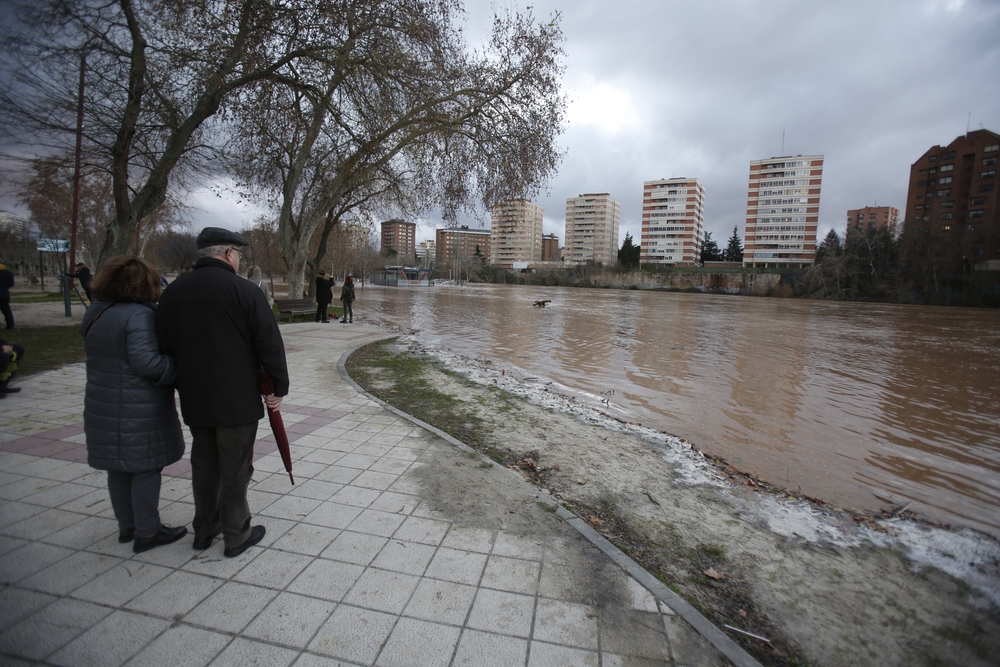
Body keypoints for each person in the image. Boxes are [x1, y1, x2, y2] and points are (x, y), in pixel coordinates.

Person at [157, 227, 289, 558]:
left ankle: (204, 530)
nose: (240, 259)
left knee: (204, 464)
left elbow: (165, 345)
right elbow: (268, 343)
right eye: (239, 254)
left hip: (195, 396)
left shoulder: (174, 292)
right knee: (235, 467)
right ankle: (236, 534)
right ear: (229, 253)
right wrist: (279, 387)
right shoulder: (245, 291)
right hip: (236, 398)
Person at [80, 256, 187, 552]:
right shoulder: (139, 315)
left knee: (118, 467)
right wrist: (180, 368)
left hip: (102, 400)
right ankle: (148, 531)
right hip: (137, 405)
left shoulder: (97, 312)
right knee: (145, 467)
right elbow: (145, 361)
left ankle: (127, 525)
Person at [0, 262, 14, 329]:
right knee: (6, 311)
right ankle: (10, 324)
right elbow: (11, 284)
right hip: (4, 294)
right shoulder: (8, 273)